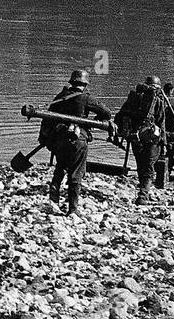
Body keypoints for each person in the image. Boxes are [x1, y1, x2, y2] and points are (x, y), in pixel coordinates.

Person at [29, 70, 114, 216]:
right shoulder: (85, 98)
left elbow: (48, 118)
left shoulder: (61, 97)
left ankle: (54, 197)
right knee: (76, 172)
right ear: (85, 84)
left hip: (60, 139)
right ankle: (73, 209)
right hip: (78, 140)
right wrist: (93, 121)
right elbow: (106, 113)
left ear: (72, 82)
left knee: (61, 166)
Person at [116, 76, 168, 205]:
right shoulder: (158, 100)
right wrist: (164, 142)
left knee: (141, 164)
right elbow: (161, 122)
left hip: (134, 135)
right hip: (151, 137)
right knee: (149, 165)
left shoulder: (134, 97)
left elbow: (120, 116)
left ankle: (142, 191)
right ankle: (143, 195)